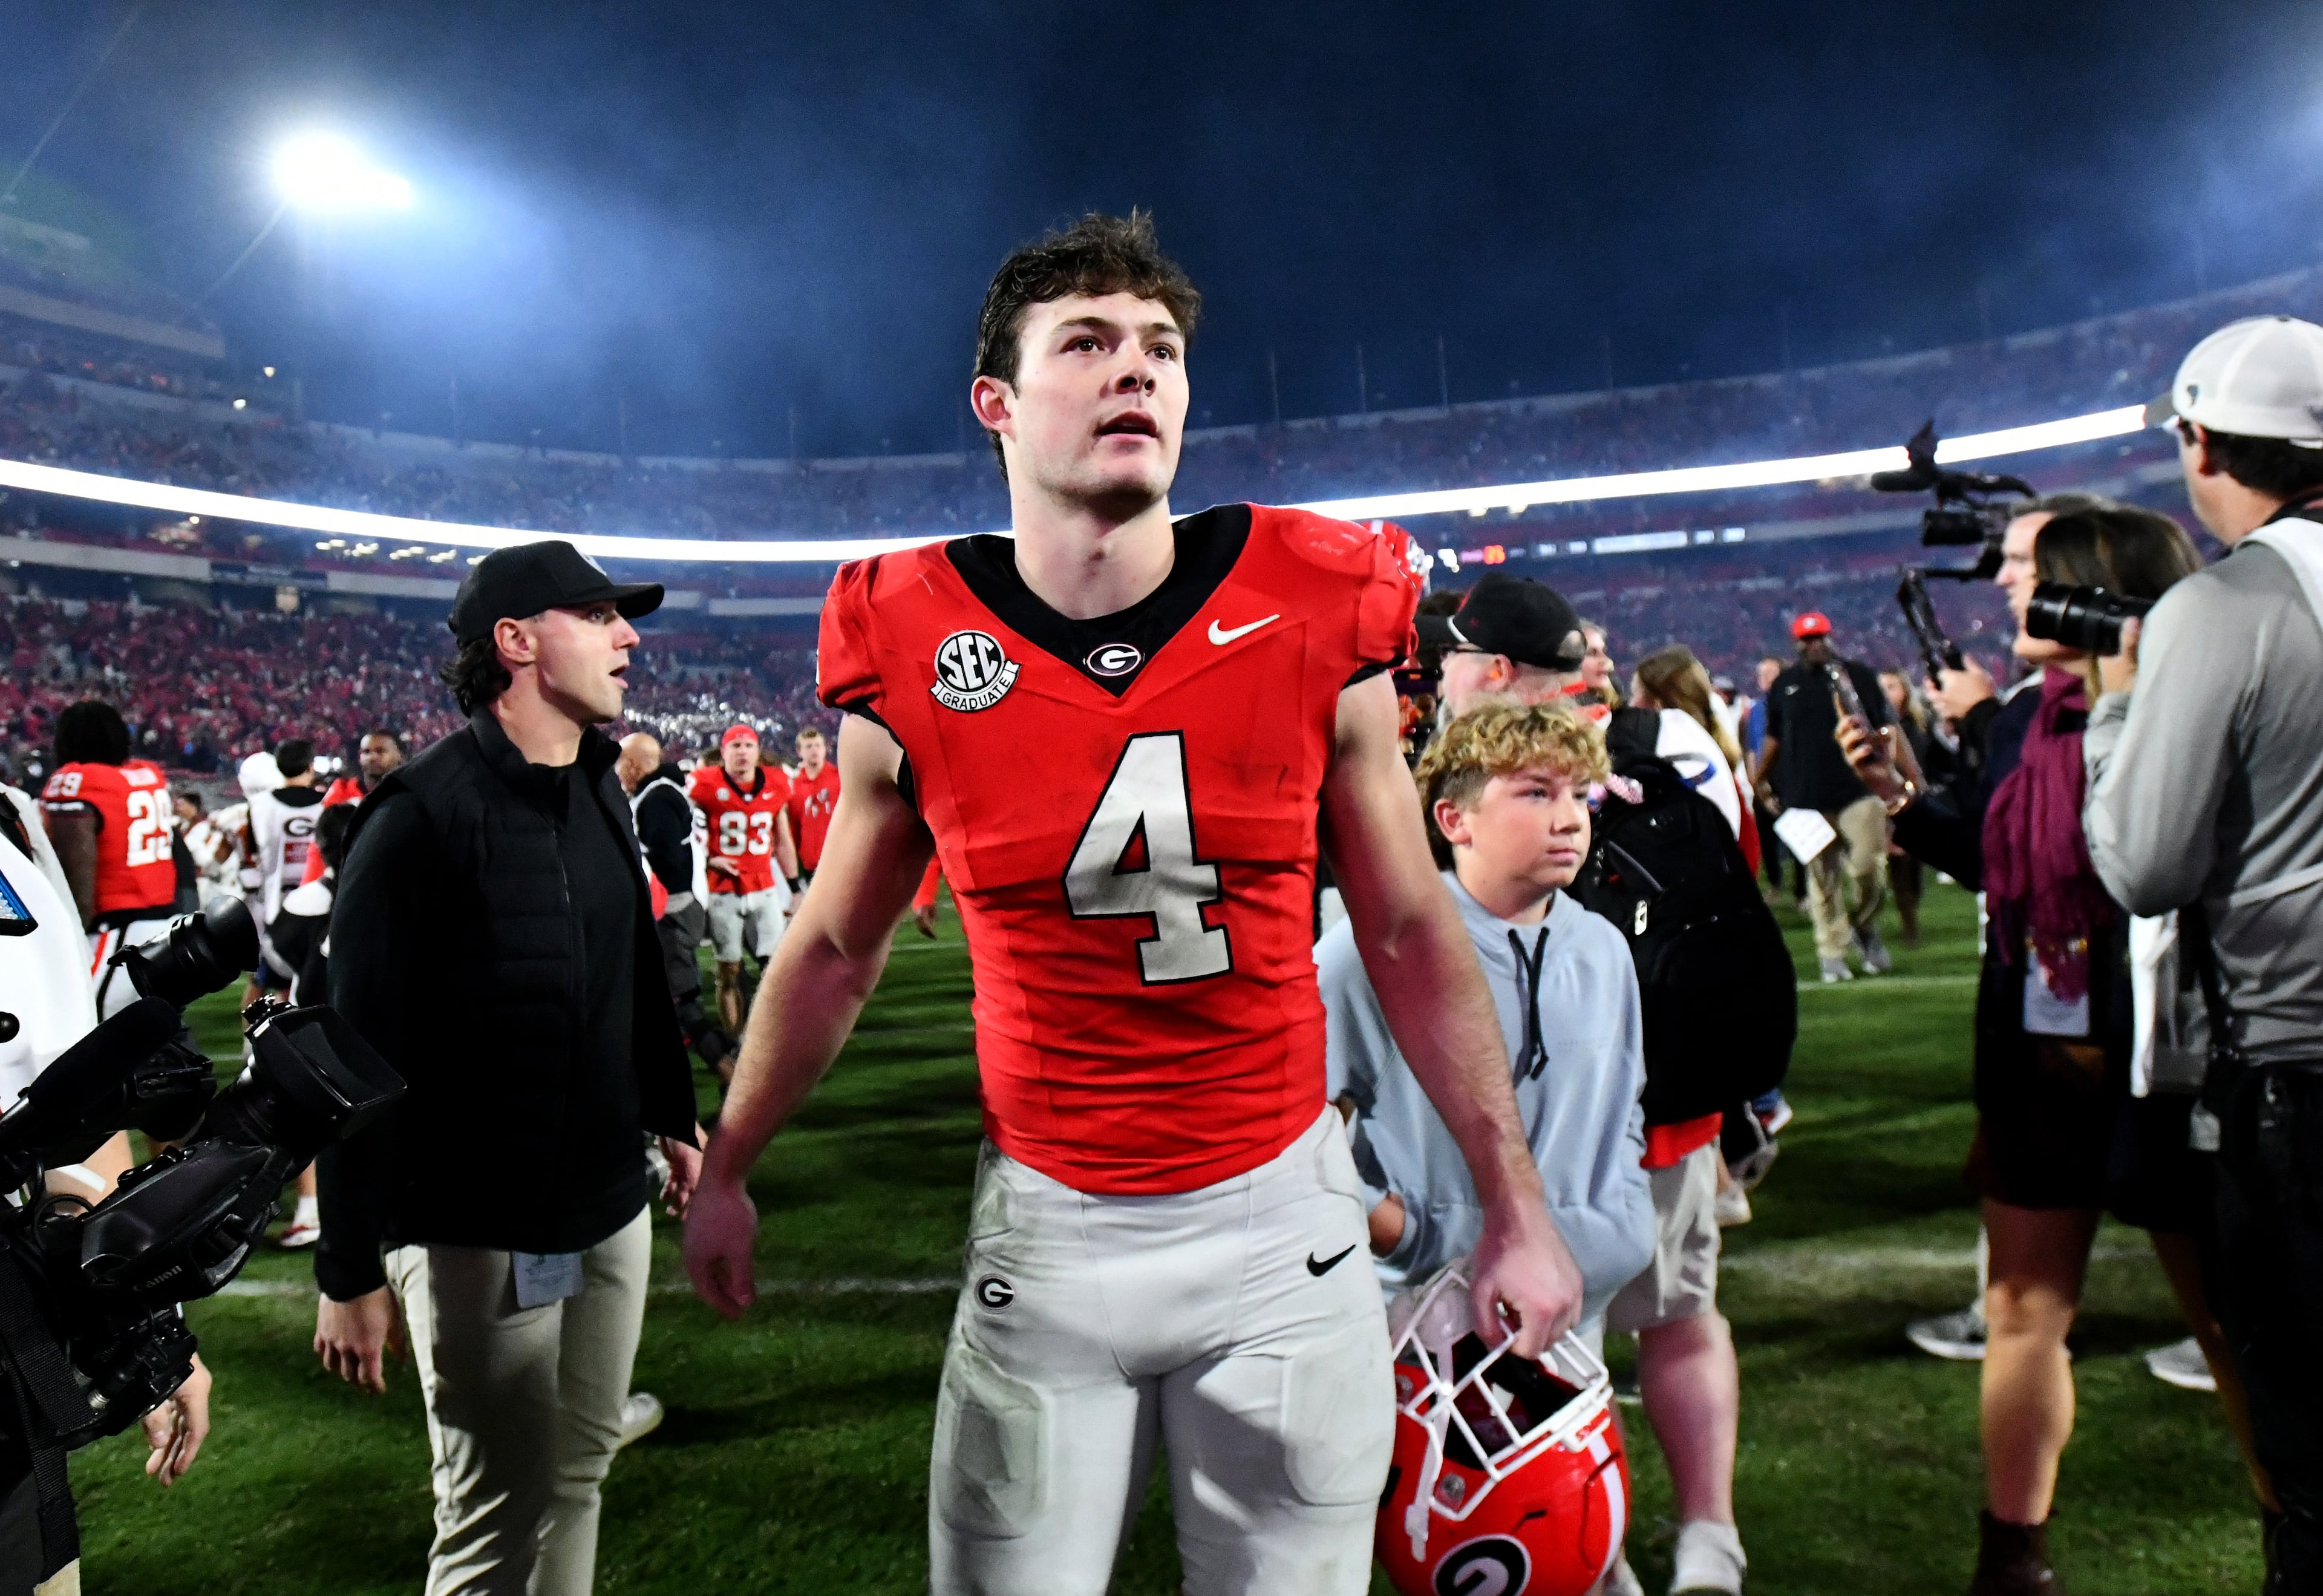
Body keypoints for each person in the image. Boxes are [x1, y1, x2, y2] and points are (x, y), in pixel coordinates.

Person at [682, 211, 1581, 1596]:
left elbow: (1405, 927)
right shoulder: (907, 626)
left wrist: (1511, 1199)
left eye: (1159, 348)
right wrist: (731, 1158)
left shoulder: (1310, 593)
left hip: (1283, 1218)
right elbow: (838, 942)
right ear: (995, 401)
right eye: (1087, 344)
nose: (1135, 374)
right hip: (1050, 1226)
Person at [1841, 499, 2258, 1596]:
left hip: (2161, 1050)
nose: (2015, 587)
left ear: (2107, 586)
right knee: (2025, 1306)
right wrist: (1910, 801)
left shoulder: (2182, 701)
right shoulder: (2026, 715)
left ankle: (2290, 1525)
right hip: (2037, 1037)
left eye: (2040, 567)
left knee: (2228, 1315)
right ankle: (2012, 1553)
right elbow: (2006, 857)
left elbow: (2144, 866)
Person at [313, 539, 703, 1596]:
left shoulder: (597, 788)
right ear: (518, 642)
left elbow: (627, 973)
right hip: (477, 1224)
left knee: (577, 1475)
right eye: (598, 615)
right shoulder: (419, 818)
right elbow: (352, 1054)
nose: (630, 637)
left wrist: (674, 1116)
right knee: (491, 1518)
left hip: (608, 1201)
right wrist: (347, 1268)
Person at [1419, 577, 1766, 1595]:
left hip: (1529, 1121)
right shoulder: (1671, 743)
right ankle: (1709, 1537)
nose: (1432, 682)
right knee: (1683, 1311)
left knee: (1534, 1345)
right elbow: (1737, 892)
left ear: (1486, 671)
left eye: (1445, 663)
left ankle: (1592, 1544)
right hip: (1675, 1099)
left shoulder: (1470, 775)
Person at [1317, 701, 1665, 1591]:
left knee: (1578, 1540)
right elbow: (1296, 1119)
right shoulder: (1372, 950)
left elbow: (1624, 1101)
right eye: (1535, 791)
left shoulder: (1602, 945)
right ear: (1453, 817)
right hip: (1429, 1321)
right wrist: (1397, 1227)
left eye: (1579, 794)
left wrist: (1618, 1219)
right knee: (1450, 1545)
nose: (1569, 817)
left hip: (1574, 1315)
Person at [2082, 314, 2323, 1592]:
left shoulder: (2223, 603)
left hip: (2298, 1076)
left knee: (2317, 1472)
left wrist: (2115, 715)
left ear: (2202, 441)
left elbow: (2148, 865)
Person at [1755, 612, 1891, 983]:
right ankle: (1832, 952)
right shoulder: (1785, 684)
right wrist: (1760, 778)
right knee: (1823, 881)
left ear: (1831, 638)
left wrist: (1893, 776)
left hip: (1858, 790)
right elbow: (1774, 737)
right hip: (1805, 796)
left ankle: (1864, 926)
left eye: (1819, 638)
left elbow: (1884, 730)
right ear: (1797, 644)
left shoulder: (1859, 677)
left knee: (1869, 871)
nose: (1814, 644)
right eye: (1807, 639)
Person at [38, 699, 178, 1019]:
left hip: (115, 930)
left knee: (85, 1028)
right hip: (166, 926)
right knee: (154, 1040)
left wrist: (64, 935)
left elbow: (80, 883)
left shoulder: (76, 782)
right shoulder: (147, 773)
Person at [618, 730, 735, 1084]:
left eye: (622, 761)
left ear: (635, 764)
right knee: (667, 1012)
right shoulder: (663, 793)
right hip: (679, 911)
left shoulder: (656, 800)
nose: (618, 770)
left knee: (678, 1011)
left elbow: (667, 856)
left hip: (674, 914)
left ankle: (740, 1080)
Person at [687, 725, 799, 1033]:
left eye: (748, 746)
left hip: (765, 889)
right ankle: (736, 1041)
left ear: (757, 752)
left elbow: (783, 840)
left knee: (776, 969)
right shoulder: (703, 784)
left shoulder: (777, 784)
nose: (742, 752)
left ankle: (771, 1038)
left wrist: (794, 887)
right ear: (723, 754)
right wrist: (710, 859)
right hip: (723, 892)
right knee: (729, 971)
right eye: (735, 746)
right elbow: (685, 835)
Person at [1877, 668, 1952, 947]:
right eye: (1882, 687)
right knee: (1899, 863)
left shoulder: (1920, 725)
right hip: (1888, 803)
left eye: (1893, 686)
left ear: (1906, 691)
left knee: (1915, 865)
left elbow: (1939, 761)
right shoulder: (1874, 728)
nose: (1888, 693)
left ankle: (1911, 911)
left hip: (1919, 800)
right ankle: (1909, 923)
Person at [299, 730, 404, 885]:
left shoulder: (411, 796)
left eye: (380, 751)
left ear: (399, 755)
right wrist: (310, 889)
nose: (372, 757)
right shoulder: (340, 795)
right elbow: (320, 849)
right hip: (346, 886)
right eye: (366, 752)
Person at [782, 724, 840, 889]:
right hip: (811, 865)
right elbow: (794, 828)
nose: (814, 750)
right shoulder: (794, 786)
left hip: (840, 860)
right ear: (799, 752)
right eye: (808, 746)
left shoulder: (839, 779)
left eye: (818, 746)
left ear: (825, 749)